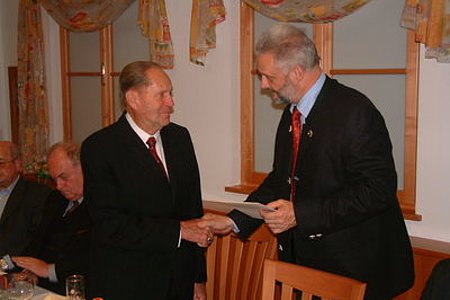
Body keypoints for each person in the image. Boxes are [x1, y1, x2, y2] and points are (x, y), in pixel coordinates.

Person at [202, 24, 414, 300]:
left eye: (268, 77)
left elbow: (377, 190)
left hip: (355, 270)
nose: (264, 85)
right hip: (306, 265)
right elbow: (280, 180)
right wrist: (234, 221)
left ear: (297, 73)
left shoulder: (355, 112)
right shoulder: (292, 112)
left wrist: (300, 214)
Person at [80, 61, 210, 300]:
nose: (171, 103)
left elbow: (194, 213)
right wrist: (178, 231)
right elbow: (109, 224)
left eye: (170, 93)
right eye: (162, 95)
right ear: (134, 99)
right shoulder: (100, 148)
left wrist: (197, 279)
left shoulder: (180, 138)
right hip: (128, 283)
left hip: (179, 280)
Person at [12, 142, 91, 295]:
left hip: (75, 289)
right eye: (55, 180)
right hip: (43, 287)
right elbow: (38, 239)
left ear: (84, 168)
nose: (59, 186)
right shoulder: (55, 199)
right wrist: (28, 270)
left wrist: (48, 270)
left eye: (64, 177)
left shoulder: (100, 206)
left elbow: (90, 259)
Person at [0, 141, 52, 259]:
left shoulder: (38, 194)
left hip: (15, 270)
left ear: (18, 164)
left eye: (0, 162)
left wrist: (4, 265)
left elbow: (35, 242)